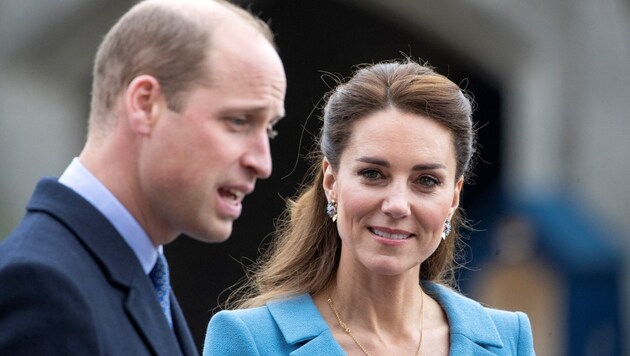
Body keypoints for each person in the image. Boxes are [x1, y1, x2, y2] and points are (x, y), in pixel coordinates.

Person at [0, 0, 286, 354]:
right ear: (145, 104)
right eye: (239, 121)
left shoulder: (139, 274)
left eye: (269, 129)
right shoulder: (42, 287)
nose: (263, 162)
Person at [203, 59, 534, 355]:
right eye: (373, 174)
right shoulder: (251, 340)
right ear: (331, 182)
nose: (396, 205)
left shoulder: (508, 340)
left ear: (454, 197)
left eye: (426, 181)